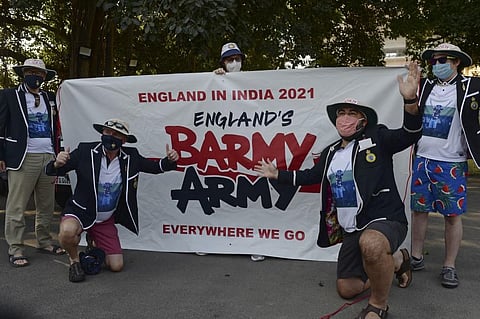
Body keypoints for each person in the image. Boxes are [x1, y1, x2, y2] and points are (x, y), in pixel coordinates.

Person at [254, 61, 422, 319]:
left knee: (372, 244)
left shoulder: (377, 137)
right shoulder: (331, 151)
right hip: (352, 226)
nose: (344, 117)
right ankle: (396, 261)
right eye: (341, 113)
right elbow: (310, 176)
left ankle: (378, 305)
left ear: (362, 120)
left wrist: (410, 101)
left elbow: (410, 134)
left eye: (351, 113)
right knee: (346, 288)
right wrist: (278, 174)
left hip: (384, 218)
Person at [45, 118, 179, 282]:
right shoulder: (85, 151)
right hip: (80, 212)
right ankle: (74, 260)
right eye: (107, 132)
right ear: (102, 133)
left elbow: (155, 167)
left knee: (116, 266)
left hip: (105, 220)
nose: (110, 136)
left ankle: (93, 242)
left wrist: (170, 161)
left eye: (116, 134)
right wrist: (57, 163)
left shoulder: (131, 157)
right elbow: (58, 169)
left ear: (123, 140)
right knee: (67, 232)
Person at [410, 43, 480, 289]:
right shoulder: (424, 86)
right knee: (419, 211)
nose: (437, 64)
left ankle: (449, 266)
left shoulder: (472, 87)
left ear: (456, 61)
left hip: (452, 162)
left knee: (452, 215)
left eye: (443, 60)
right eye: (434, 61)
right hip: (422, 160)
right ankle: (416, 257)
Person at [0, 58, 65, 268]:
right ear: (23, 73)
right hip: (22, 156)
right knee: (17, 205)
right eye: (30, 72)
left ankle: (44, 241)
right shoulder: (9, 95)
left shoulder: (50, 97)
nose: (35, 76)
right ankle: (16, 247)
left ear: (44, 77)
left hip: (48, 156)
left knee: (46, 204)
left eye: (39, 73)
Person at [208, 42, 265, 262]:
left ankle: (255, 242)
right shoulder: (216, 79)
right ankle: (208, 240)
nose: (234, 64)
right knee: (221, 197)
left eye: (237, 59)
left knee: (250, 196)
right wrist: (214, 78)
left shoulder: (253, 82)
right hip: (223, 148)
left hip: (250, 148)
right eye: (230, 60)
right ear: (223, 62)